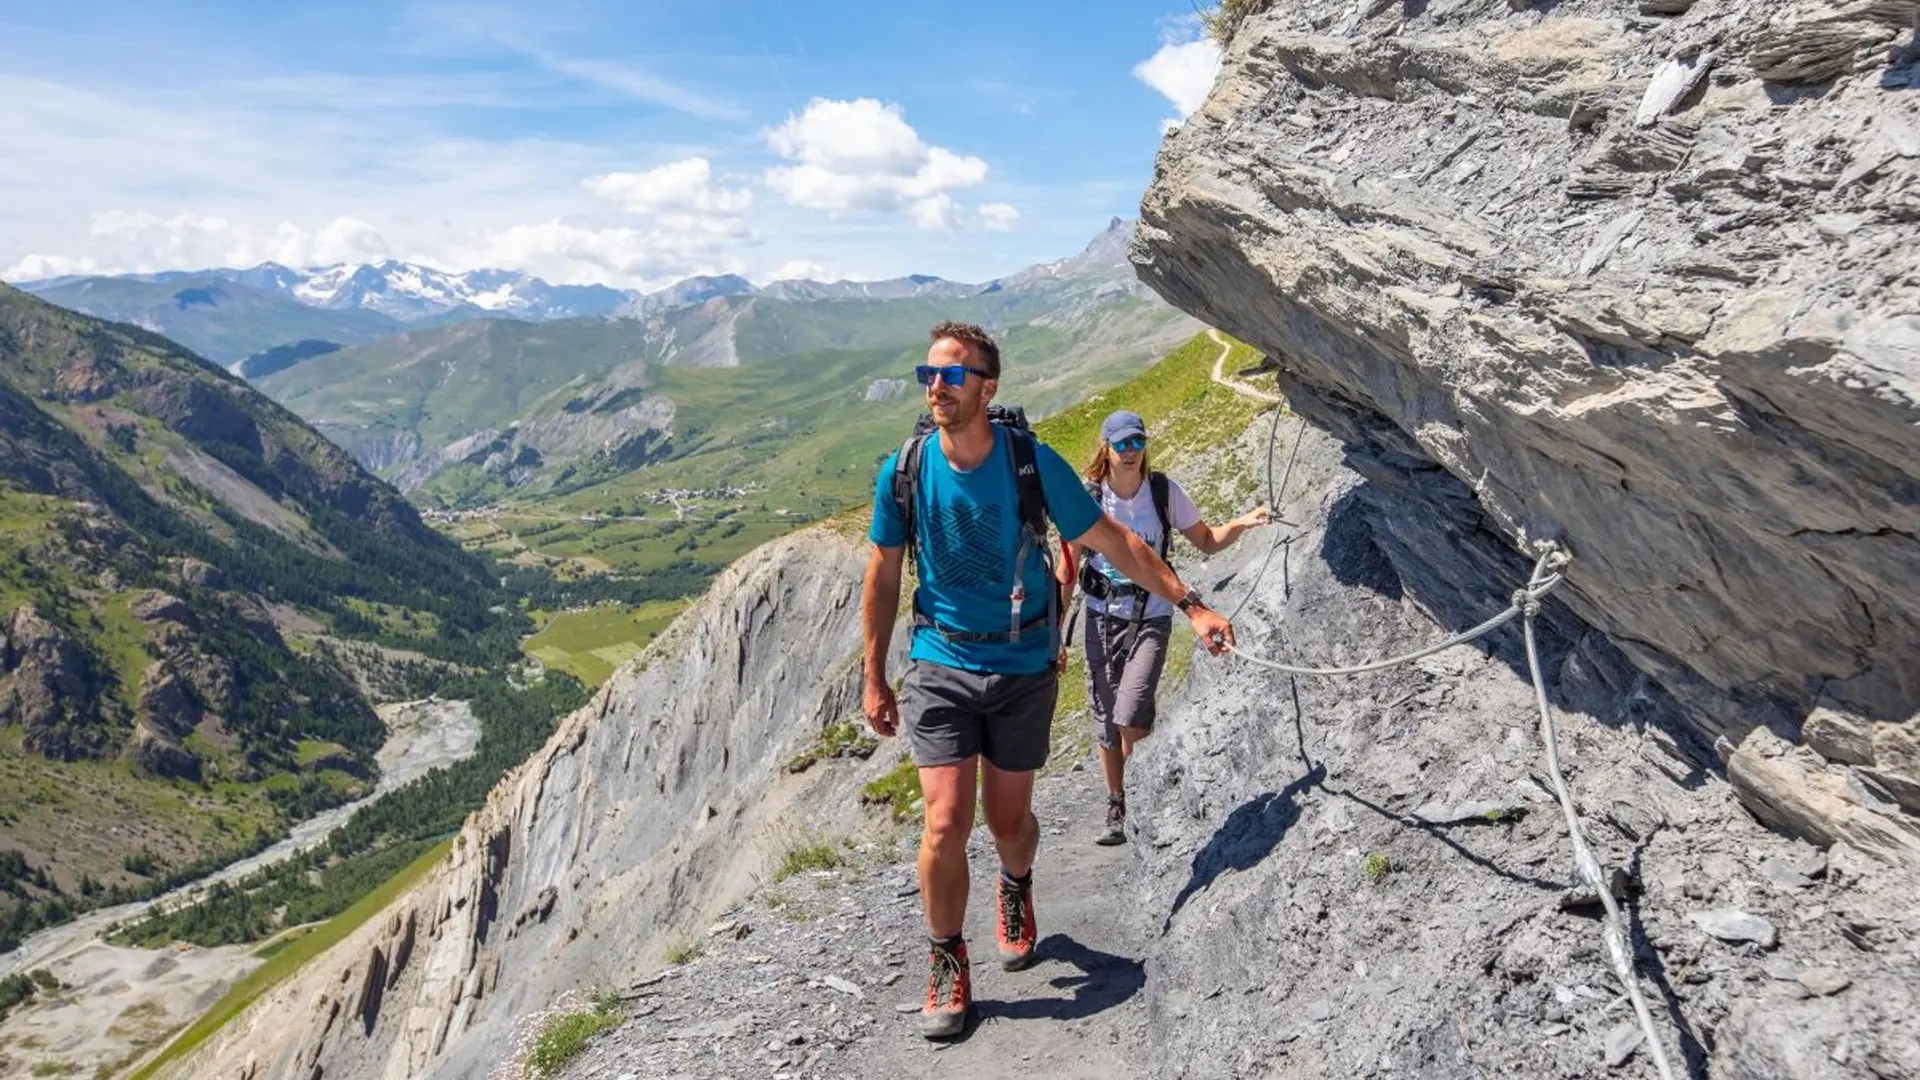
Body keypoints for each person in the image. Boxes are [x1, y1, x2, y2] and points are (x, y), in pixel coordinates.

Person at [863, 323, 1237, 1039]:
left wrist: (1189, 603)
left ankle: (1016, 885)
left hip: (1023, 666)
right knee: (944, 821)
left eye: (953, 374)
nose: (936, 386)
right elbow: (881, 573)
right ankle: (946, 961)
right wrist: (874, 675)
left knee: (1009, 824)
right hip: (940, 662)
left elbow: (1114, 541)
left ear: (988, 385)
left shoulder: (1031, 464)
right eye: (928, 374)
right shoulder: (904, 469)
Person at [1063, 410, 1271, 846]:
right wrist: (1053, 635)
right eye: (1121, 444)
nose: (1131, 452)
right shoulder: (1088, 497)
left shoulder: (1163, 492)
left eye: (1136, 442)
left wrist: (1243, 523)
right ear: (1105, 448)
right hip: (1101, 618)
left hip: (1153, 615)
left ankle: (1143, 791)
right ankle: (1118, 802)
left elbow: (1207, 541)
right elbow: (1067, 570)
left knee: (1131, 711)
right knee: (1105, 720)